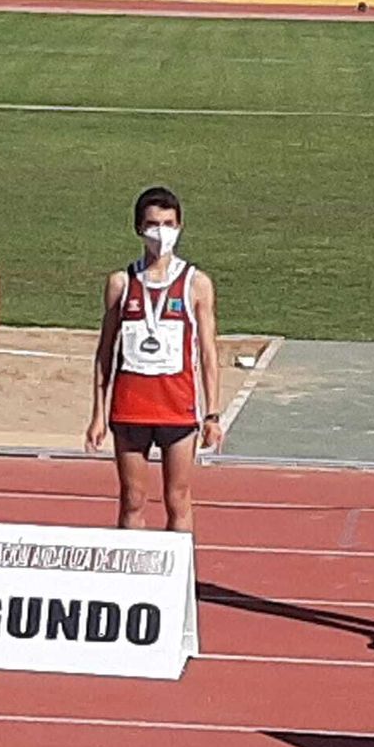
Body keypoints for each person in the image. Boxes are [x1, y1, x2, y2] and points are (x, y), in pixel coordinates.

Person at [85, 186, 222, 531]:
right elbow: (105, 352)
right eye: (152, 224)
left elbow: (208, 353)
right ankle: (132, 567)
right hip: (130, 409)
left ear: (179, 226)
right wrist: (98, 414)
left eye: (168, 224)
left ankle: (180, 567)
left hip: (178, 408)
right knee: (132, 498)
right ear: (138, 228)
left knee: (178, 498)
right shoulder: (121, 283)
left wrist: (212, 414)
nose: (161, 232)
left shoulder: (196, 284)